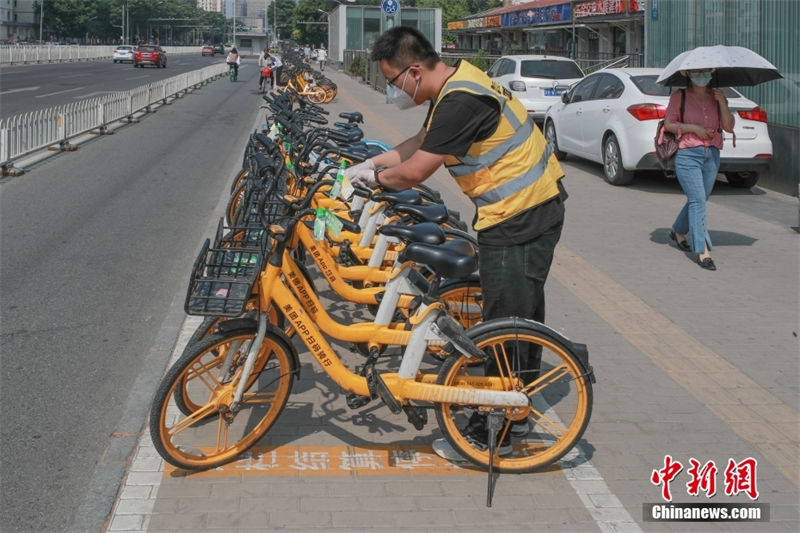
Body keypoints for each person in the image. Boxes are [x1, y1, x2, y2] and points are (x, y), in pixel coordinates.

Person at [344, 26, 567, 457]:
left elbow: (414, 171)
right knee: (518, 311)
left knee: (506, 319)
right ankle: (512, 398)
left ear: (413, 70)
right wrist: (369, 164)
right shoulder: (457, 83)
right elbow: (420, 143)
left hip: (521, 214)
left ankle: (501, 423)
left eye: (392, 82)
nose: (393, 91)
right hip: (523, 209)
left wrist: (376, 181)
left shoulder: (461, 100)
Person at [664, 68, 734, 271]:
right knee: (697, 200)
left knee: (701, 198)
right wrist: (694, 129)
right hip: (688, 154)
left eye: (705, 71)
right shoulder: (680, 96)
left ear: (712, 72)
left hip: (712, 154)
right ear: (688, 74)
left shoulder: (718, 97)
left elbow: (729, 126)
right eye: (697, 72)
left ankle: (678, 230)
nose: (701, 75)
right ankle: (703, 250)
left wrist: (722, 102)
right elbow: (669, 124)